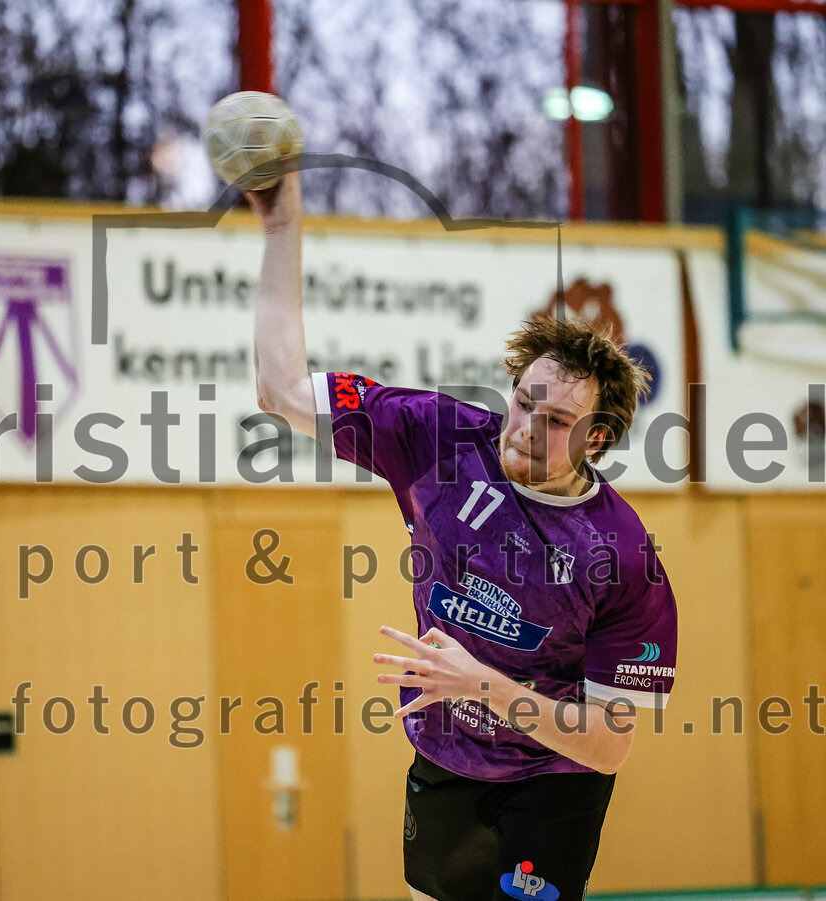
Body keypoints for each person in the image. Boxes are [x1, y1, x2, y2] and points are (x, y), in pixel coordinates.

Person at [246, 168, 678, 901]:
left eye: (557, 422)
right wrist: (282, 224)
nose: (526, 429)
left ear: (598, 437)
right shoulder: (437, 437)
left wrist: (481, 684)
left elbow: (610, 745)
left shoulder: (621, 555)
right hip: (445, 753)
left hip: (553, 776)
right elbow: (280, 392)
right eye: (523, 403)